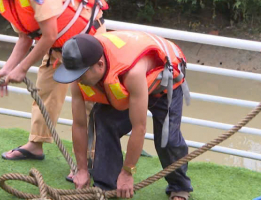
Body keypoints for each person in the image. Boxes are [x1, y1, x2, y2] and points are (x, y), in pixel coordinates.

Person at [0, 0, 108, 170]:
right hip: (57, 48)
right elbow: (25, 37)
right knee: (44, 91)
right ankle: (35, 144)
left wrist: (22, 68)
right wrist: (7, 69)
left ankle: (94, 157)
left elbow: (49, 34)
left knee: (88, 102)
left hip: (86, 43)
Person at [53, 31, 193, 200]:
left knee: (167, 139)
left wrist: (128, 172)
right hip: (128, 90)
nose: (78, 80)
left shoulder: (132, 72)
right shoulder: (80, 74)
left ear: (99, 64)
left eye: (81, 75)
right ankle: (105, 186)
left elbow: (139, 127)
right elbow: (79, 124)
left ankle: (179, 187)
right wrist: (82, 169)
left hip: (162, 84)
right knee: (104, 120)